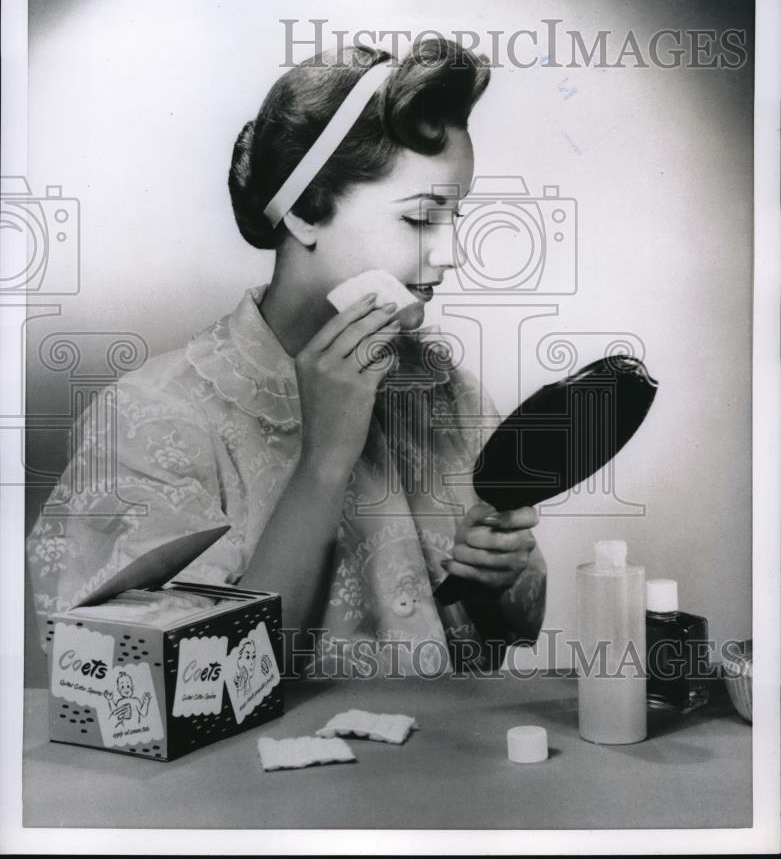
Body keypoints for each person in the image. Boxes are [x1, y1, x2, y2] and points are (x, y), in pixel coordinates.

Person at [27, 38, 546, 677]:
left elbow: (491, 649)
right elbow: (178, 684)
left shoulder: (448, 393)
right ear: (304, 209)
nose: (451, 255)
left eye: (456, 215)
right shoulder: (152, 416)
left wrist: (491, 580)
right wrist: (324, 464)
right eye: (420, 219)